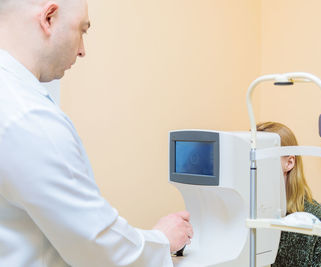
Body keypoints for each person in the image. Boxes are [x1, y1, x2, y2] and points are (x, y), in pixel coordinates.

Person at [0, 0, 192, 266]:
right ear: (49, 18)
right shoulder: (29, 117)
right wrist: (162, 239)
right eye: (82, 30)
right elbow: (98, 248)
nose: (82, 50)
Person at [257, 122, 321, 267]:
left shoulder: (313, 218)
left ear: (289, 162)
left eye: (265, 158)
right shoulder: (251, 211)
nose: (255, 165)